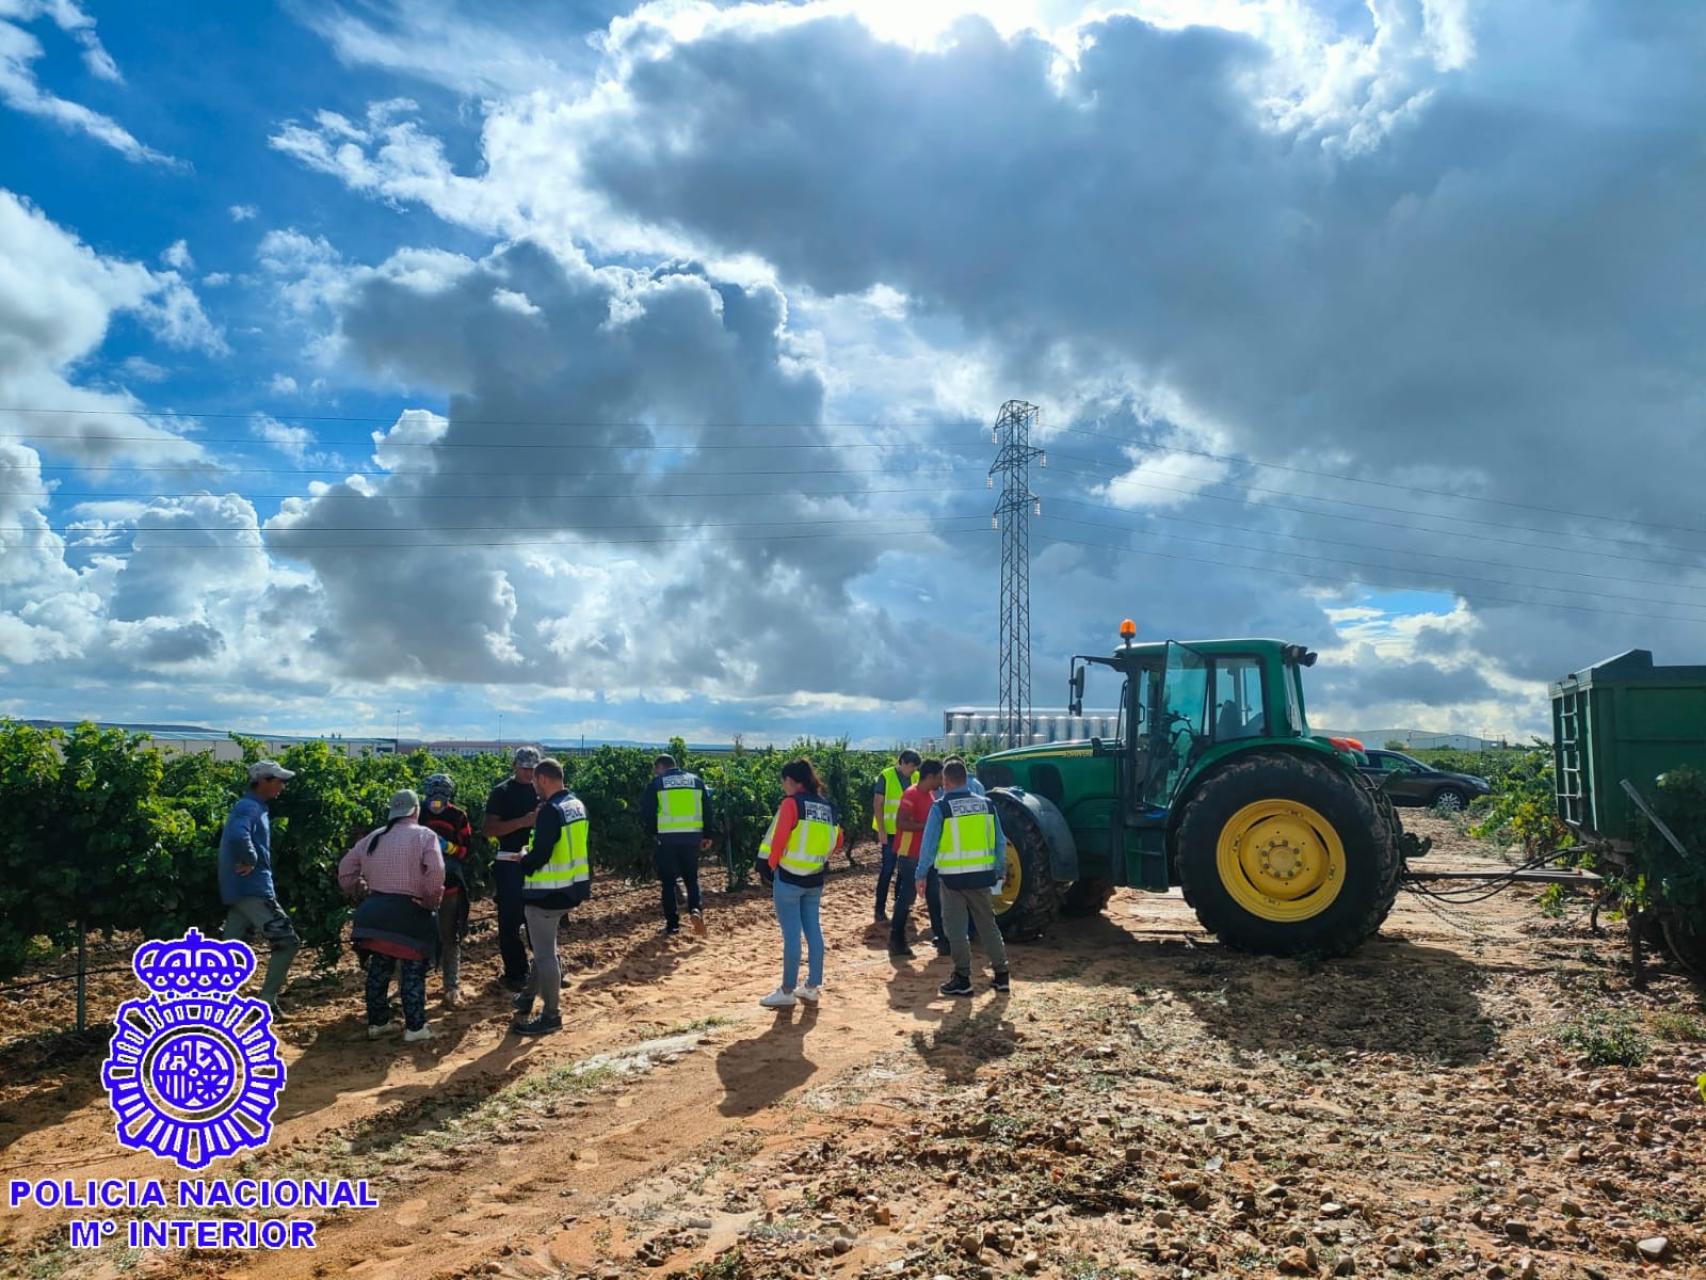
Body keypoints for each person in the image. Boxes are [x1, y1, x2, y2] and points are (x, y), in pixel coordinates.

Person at [338, 790, 446, 1043]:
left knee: (379, 968)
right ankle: (416, 1028)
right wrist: (430, 900)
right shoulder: (424, 835)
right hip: (409, 912)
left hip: (374, 914)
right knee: (412, 970)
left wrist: (360, 888)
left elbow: (345, 871)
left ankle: (378, 1023)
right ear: (416, 810)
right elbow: (437, 871)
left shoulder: (374, 837)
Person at [916, 760, 1010, 997]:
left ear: (946, 782)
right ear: (966, 780)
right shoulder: (987, 805)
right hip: (982, 875)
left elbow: (929, 845)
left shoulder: (941, 808)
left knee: (956, 930)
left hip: (952, 880)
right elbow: (1000, 841)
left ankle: (962, 977)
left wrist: (921, 874)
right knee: (988, 925)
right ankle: (1001, 975)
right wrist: (999, 869)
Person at [512, 758, 590, 1037]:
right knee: (544, 946)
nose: (534, 786)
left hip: (547, 893)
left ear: (543, 779)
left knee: (545, 954)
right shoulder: (576, 805)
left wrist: (523, 859)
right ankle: (527, 997)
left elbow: (541, 854)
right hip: (571, 888)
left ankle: (551, 1015)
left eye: (535, 781)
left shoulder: (550, 811)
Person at [757, 758, 843, 1009]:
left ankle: (786, 990)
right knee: (814, 930)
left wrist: (771, 865)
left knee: (792, 935)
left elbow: (780, 838)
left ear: (792, 781)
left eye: (784, 781)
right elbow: (838, 841)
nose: (783, 786)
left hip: (789, 877)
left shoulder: (791, 804)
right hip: (815, 877)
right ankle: (812, 987)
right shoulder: (828, 807)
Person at [219, 760, 301, 1017]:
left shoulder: (255, 807)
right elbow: (236, 834)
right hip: (252, 889)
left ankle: (214, 1003)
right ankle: (266, 1003)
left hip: (241, 890)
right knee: (287, 942)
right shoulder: (249, 807)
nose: (282, 786)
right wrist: (251, 859)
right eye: (278, 780)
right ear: (262, 781)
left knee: (230, 947)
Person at [483, 747, 541, 992]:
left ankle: (545, 968)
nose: (529, 773)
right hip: (509, 863)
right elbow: (489, 829)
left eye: (533, 769)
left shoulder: (544, 790)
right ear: (515, 766)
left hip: (539, 863)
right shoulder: (502, 792)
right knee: (509, 921)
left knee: (540, 918)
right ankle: (516, 973)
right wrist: (523, 822)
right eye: (525, 768)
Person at [642, 754, 713, 938]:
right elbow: (707, 809)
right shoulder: (696, 781)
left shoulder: (657, 784)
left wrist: (654, 833)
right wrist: (708, 835)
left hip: (667, 839)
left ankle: (672, 926)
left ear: (660, 767)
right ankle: (696, 910)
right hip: (692, 837)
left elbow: (647, 814)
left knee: (668, 882)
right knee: (691, 878)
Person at [419, 773, 474, 1008]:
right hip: (419, 885)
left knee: (450, 936)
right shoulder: (418, 813)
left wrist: (448, 847)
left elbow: (466, 851)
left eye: (442, 794)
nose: (437, 800)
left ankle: (451, 986)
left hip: (450, 885)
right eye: (433, 794)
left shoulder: (458, 816)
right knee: (418, 937)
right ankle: (416, 985)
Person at [923, 756, 987, 956]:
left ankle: (954, 942)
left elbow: (935, 830)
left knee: (953, 902)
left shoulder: (944, 796)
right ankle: (973, 932)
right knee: (975, 899)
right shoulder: (979, 788)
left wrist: (922, 870)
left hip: (953, 853)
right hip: (977, 852)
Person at [888, 758, 943, 958]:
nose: (942, 781)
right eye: (939, 777)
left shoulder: (930, 796)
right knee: (908, 896)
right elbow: (901, 823)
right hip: (910, 853)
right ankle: (896, 939)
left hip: (925, 854)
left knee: (935, 896)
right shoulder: (911, 794)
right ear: (930, 776)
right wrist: (928, 827)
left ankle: (942, 938)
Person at [871, 751, 921, 923]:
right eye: (911, 766)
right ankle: (879, 909)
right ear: (902, 762)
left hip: (908, 832)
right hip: (890, 832)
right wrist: (882, 831)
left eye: (915, 767)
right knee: (887, 870)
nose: (913, 770)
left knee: (905, 870)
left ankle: (900, 906)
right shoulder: (886, 776)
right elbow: (878, 803)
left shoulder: (916, 777)